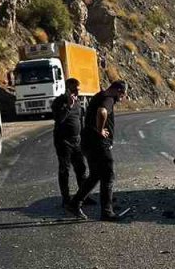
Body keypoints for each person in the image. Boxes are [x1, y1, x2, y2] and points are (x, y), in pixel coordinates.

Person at [68, 80, 131, 221]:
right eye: (122, 95)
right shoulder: (108, 99)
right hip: (98, 144)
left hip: (88, 142)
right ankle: (107, 212)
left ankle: (75, 203)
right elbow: (101, 112)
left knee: (95, 175)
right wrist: (100, 129)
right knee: (108, 176)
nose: (121, 99)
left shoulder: (99, 95)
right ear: (117, 90)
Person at [51, 78, 89, 208]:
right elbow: (59, 119)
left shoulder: (78, 102)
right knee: (64, 169)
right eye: (74, 90)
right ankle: (65, 198)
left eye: (78, 90)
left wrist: (84, 139)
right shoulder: (58, 102)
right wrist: (68, 106)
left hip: (77, 141)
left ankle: (84, 195)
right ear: (67, 89)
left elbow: (80, 121)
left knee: (81, 169)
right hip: (63, 141)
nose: (76, 92)